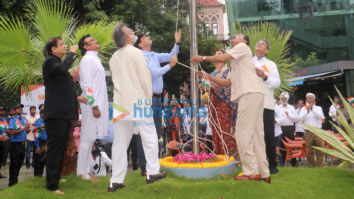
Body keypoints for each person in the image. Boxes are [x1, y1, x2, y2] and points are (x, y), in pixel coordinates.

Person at [192, 33, 270, 183]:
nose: (235, 36)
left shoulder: (242, 47)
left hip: (249, 94)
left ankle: (251, 171)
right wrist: (206, 75)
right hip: (254, 94)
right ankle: (264, 172)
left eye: (239, 35)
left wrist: (202, 58)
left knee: (241, 134)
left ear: (245, 41)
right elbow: (227, 82)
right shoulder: (237, 61)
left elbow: (222, 58)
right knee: (256, 135)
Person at [108, 24, 168, 192]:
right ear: (126, 37)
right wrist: (148, 100)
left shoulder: (114, 57)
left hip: (120, 103)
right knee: (149, 138)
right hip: (138, 101)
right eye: (130, 31)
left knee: (119, 143)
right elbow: (145, 79)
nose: (133, 32)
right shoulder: (136, 53)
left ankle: (115, 181)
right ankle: (153, 172)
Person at [42, 36, 80, 194]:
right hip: (56, 115)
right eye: (62, 45)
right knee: (55, 149)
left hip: (63, 114)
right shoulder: (50, 63)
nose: (65, 47)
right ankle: (52, 185)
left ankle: (55, 178)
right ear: (53, 49)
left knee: (60, 148)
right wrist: (72, 54)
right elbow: (62, 69)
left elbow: (62, 90)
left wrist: (77, 98)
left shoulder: (58, 66)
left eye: (66, 46)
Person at [134, 30, 180, 156]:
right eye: (145, 36)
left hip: (157, 99)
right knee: (145, 131)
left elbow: (172, 55)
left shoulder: (154, 55)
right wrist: (170, 66)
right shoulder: (141, 57)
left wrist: (177, 43)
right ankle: (144, 166)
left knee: (157, 131)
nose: (149, 37)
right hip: (147, 98)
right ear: (140, 44)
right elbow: (153, 73)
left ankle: (155, 161)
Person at [77, 34, 109, 182]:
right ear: (86, 46)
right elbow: (86, 85)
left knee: (90, 140)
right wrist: (94, 105)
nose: (96, 40)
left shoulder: (94, 59)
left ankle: (84, 171)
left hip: (97, 104)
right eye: (92, 40)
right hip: (91, 105)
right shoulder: (87, 60)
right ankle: (82, 172)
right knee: (86, 139)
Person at [202, 50, 239, 158]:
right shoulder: (211, 73)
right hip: (213, 105)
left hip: (224, 105)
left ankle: (230, 157)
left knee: (225, 132)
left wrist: (214, 87)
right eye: (215, 54)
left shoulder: (227, 71)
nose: (217, 55)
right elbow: (206, 91)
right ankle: (218, 157)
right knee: (215, 131)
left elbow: (228, 86)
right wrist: (206, 89)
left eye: (220, 54)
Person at [253, 39, 280, 174]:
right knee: (252, 135)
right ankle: (254, 165)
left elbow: (277, 83)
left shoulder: (271, 64)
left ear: (267, 50)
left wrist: (265, 77)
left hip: (266, 103)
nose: (258, 45)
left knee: (268, 135)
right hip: (251, 103)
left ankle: (273, 165)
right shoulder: (248, 62)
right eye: (257, 43)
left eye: (262, 44)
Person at [300, 93, 325, 168]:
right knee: (309, 150)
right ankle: (312, 166)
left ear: (314, 99)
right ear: (306, 100)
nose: (310, 99)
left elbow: (320, 116)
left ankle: (320, 166)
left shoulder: (318, 108)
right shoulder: (303, 109)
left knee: (319, 149)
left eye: (311, 98)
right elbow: (301, 119)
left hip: (317, 131)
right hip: (308, 132)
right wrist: (307, 111)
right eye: (308, 98)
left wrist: (312, 110)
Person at [7, 104, 29, 186]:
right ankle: (12, 182)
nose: (20, 109)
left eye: (21, 108)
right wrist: (24, 128)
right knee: (14, 164)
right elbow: (12, 132)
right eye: (18, 108)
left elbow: (24, 131)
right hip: (15, 145)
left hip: (23, 144)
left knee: (20, 163)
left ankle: (15, 179)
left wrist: (28, 129)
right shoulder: (13, 120)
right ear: (15, 110)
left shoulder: (23, 119)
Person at [277, 92, 299, 167]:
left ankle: (294, 162)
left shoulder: (291, 108)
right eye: (282, 98)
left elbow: (296, 119)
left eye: (285, 98)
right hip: (281, 128)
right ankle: (282, 163)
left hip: (290, 128)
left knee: (292, 145)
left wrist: (289, 115)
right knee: (281, 145)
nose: (284, 100)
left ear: (287, 99)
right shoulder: (277, 107)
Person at [33, 110, 47, 177]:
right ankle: (37, 176)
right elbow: (36, 135)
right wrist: (37, 146)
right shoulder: (38, 122)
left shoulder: (48, 122)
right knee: (38, 162)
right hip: (39, 143)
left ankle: (43, 175)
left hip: (47, 144)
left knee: (45, 161)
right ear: (41, 114)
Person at [0, 106, 10, 178]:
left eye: (3, 110)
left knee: (3, 157)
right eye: (0, 110)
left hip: (5, 141)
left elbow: (6, 129)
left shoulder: (5, 119)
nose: (1, 112)